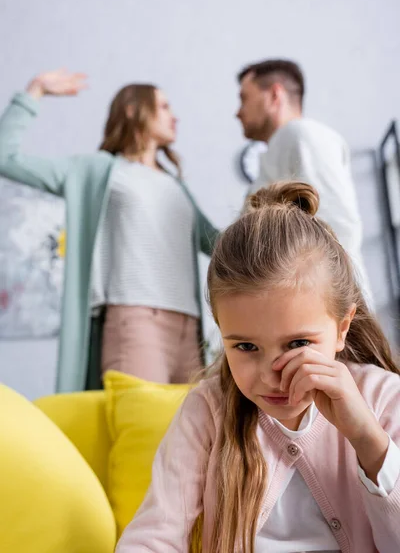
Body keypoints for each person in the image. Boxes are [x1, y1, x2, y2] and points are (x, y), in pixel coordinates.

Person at [116, 181, 400, 552]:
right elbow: (154, 537)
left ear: (342, 327)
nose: (271, 374)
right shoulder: (207, 411)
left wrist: (368, 439)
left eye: (298, 344)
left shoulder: (384, 398)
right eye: (246, 346)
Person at [0, 69, 219, 392]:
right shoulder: (97, 170)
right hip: (137, 323)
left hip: (189, 331)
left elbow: (218, 243)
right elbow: (6, 156)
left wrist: (271, 210)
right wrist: (36, 90)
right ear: (133, 110)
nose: (175, 117)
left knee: (198, 438)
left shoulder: (176, 187)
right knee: (143, 434)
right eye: (164, 107)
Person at [236, 58, 372, 305]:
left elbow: (337, 223)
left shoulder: (300, 135)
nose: (238, 112)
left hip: (326, 310)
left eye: (244, 98)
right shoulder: (282, 148)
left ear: (274, 94)